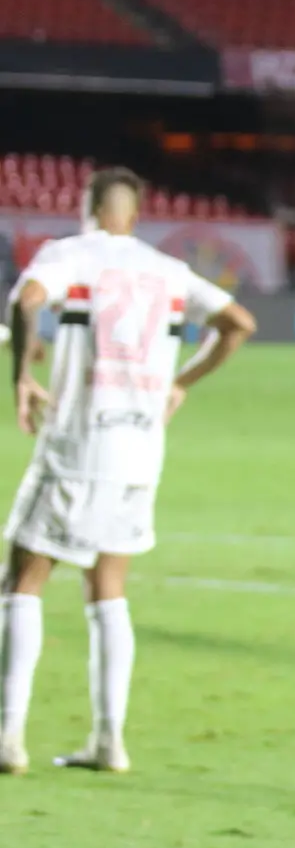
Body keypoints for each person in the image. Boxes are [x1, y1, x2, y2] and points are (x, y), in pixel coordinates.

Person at [0, 167, 255, 776]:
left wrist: (22, 375)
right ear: (135, 216)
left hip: (77, 446)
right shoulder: (166, 269)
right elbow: (238, 324)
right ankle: (109, 740)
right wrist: (181, 383)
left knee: (23, 580)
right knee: (108, 588)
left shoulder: (71, 255)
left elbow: (24, 300)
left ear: (87, 208)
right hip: (139, 451)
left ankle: (7, 738)